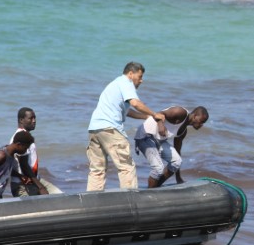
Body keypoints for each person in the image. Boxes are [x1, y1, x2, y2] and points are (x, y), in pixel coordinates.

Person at [86, 62, 163, 191]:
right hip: (110, 129)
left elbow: (128, 111)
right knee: (126, 166)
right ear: (130, 74)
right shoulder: (126, 83)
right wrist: (154, 114)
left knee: (97, 169)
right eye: (140, 76)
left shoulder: (114, 85)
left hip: (94, 129)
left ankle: (91, 200)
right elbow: (136, 104)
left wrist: (148, 117)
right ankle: (130, 199)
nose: (141, 81)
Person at [134, 106, 209, 188]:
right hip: (145, 135)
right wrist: (160, 125)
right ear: (195, 116)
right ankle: (149, 193)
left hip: (159, 140)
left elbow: (178, 150)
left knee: (177, 161)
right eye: (202, 121)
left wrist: (178, 177)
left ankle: (155, 187)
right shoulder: (180, 112)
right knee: (158, 168)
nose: (202, 125)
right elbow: (159, 114)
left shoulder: (183, 132)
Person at [10, 107, 62, 197]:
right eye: (31, 118)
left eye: (35, 118)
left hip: (34, 180)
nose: (34, 121)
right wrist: (41, 187)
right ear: (21, 120)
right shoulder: (20, 138)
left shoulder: (26, 135)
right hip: (22, 184)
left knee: (59, 196)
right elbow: (24, 165)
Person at [0, 131, 34, 200]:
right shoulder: (1, 155)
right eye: (25, 148)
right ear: (18, 144)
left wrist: (20, 176)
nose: (26, 151)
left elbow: (5, 170)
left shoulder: (11, 154)